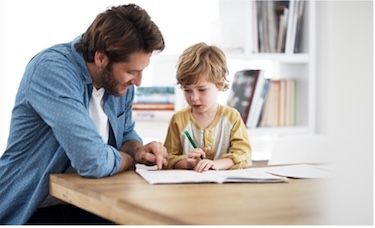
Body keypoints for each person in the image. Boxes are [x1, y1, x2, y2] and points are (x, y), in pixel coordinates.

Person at [0, 3, 167, 225]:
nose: (138, 81)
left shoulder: (119, 84)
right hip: (33, 209)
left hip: (87, 202)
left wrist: (138, 150)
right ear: (101, 58)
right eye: (131, 72)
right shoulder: (52, 70)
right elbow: (93, 161)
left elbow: (126, 133)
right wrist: (128, 160)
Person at [164, 42, 252, 173]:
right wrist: (187, 163)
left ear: (220, 84)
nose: (194, 97)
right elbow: (168, 159)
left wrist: (216, 164)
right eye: (187, 90)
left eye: (202, 89)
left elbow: (244, 155)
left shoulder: (232, 117)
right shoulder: (178, 119)